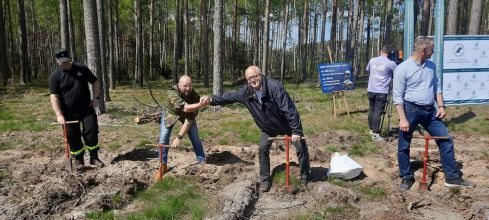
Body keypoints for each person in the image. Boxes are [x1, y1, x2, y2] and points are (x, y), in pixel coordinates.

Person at [204, 66, 310, 192]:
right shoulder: (246, 92)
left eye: (256, 76)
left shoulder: (274, 87)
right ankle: (265, 180)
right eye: (250, 78)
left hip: (286, 124)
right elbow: (229, 97)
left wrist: (296, 131)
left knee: (300, 146)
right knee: (262, 148)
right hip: (268, 127)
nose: (253, 80)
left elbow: (289, 110)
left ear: (261, 75)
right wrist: (211, 100)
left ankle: (305, 176)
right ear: (246, 80)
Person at [393, 37, 475, 191]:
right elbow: (397, 96)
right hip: (410, 111)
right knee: (404, 144)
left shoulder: (431, 65)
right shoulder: (402, 69)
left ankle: (452, 177)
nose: (434, 52)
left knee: (446, 140)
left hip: (430, 111)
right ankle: (406, 176)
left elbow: (437, 87)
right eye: (432, 49)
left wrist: (442, 106)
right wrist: (402, 119)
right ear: (424, 50)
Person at [49, 48, 104, 169]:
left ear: (70, 59)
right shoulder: (55, 76)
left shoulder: (82, 69)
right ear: (57, 61)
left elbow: (95, 82)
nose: (64, 64)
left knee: (92, 131)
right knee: (72, 137)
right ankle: (79, 160)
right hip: (68, 113)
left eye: (66, 61)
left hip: (86, 110)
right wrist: (59, 115)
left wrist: (96, 98)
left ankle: (94, 158)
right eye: (62, 62)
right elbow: (54, 97)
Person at [158, 75, 209, 174]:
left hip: (187, 115)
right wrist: (201, 105)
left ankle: (201, 160)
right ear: (178, 85)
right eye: (185, 86)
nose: (188, 88)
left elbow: (189, 120)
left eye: (190, 86)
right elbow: (184, 108)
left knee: (195, 138)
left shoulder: (195, 96)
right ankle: (162, 165)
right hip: (171, 113)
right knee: (163, 138)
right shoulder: (172, 92)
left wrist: (179, 137)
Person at [366, 45, 398, 141]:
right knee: (378, 112)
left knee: (372, 110)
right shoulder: (391, 63)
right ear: (389, 53)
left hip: (371, 89)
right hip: (381, 90)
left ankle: (371, 130)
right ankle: (375, 134)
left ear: (381, 51)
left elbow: (368, 70)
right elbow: (399, 72)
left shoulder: (372, 60)